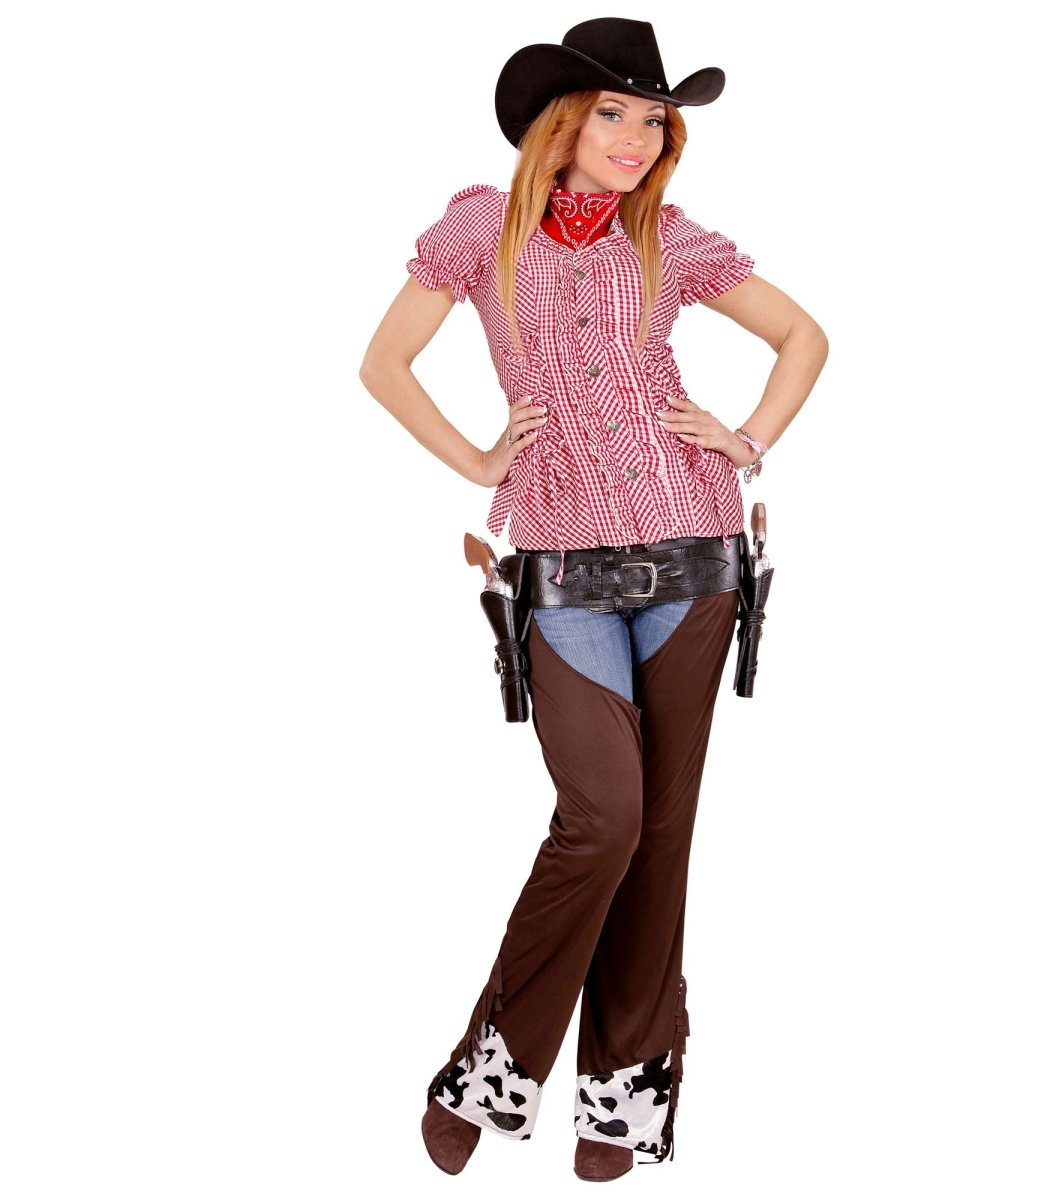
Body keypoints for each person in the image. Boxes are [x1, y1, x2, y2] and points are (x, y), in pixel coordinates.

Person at [359, 17, 828, 1182]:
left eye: (655, 119)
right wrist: (479, 460)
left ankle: (622, 1094)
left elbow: (803, 336)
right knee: (602, 818)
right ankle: (492, 1068)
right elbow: (383, 364)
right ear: (561, 121)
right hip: (560, 563)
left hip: (694, 554)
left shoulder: (668, 237)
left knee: (660, 834)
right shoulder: (481, 228)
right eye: (614, 112)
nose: (637, 136)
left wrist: (746, 439)